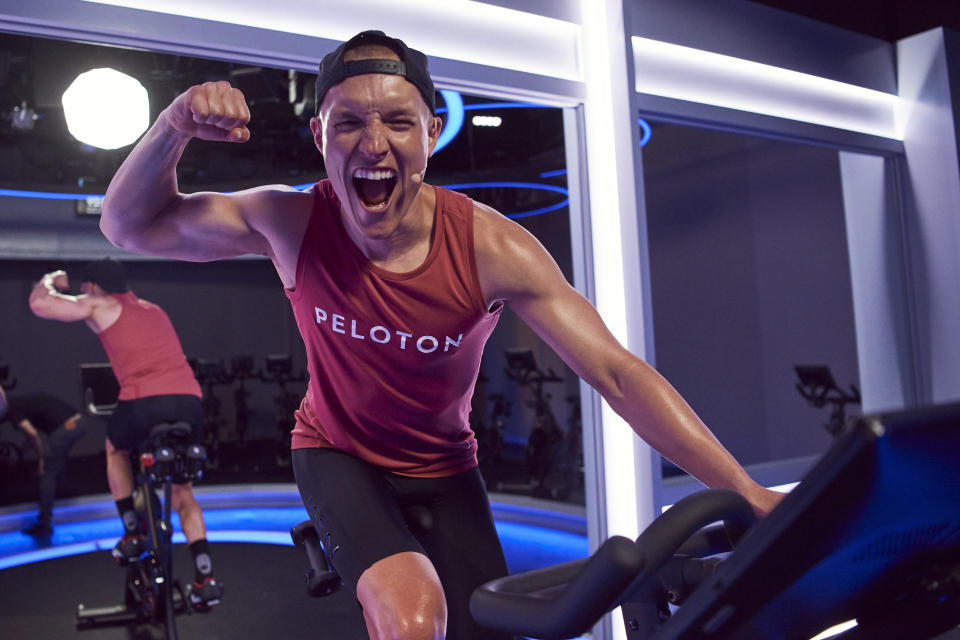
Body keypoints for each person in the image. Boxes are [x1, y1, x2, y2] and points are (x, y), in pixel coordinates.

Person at [98, 30, 784, 639]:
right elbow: (129, 227)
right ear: (320, 139)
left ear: (430, 133)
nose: (374, 145)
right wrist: (174, 124)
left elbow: (618, 374)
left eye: (398, 122)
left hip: (446, 468)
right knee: (414, 617)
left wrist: (745, 492)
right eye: (348, 124)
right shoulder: (292, 221)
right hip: (339, 454)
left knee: (492, 629)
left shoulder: (491, 248)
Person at [28, 259, 223, 609]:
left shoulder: (102, 303)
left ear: (93, 286)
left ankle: (132, 529)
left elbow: (40, 304)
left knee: (115, 450)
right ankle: (205, 573)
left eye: (87, 288)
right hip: (189, 401)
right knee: (183, 491)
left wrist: (49, 279)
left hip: (144, 403)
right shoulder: (153, 309)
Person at [0, 385, 89, 536]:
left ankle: (45, 523)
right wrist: (24, 451)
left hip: (67, 427)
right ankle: (60, 494)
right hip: (75, 423)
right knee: (55, 462)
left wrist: (41, 458)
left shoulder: (12, 410)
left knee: (47, 472)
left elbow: (32, 434)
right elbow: (32, 436)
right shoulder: (20, 404)